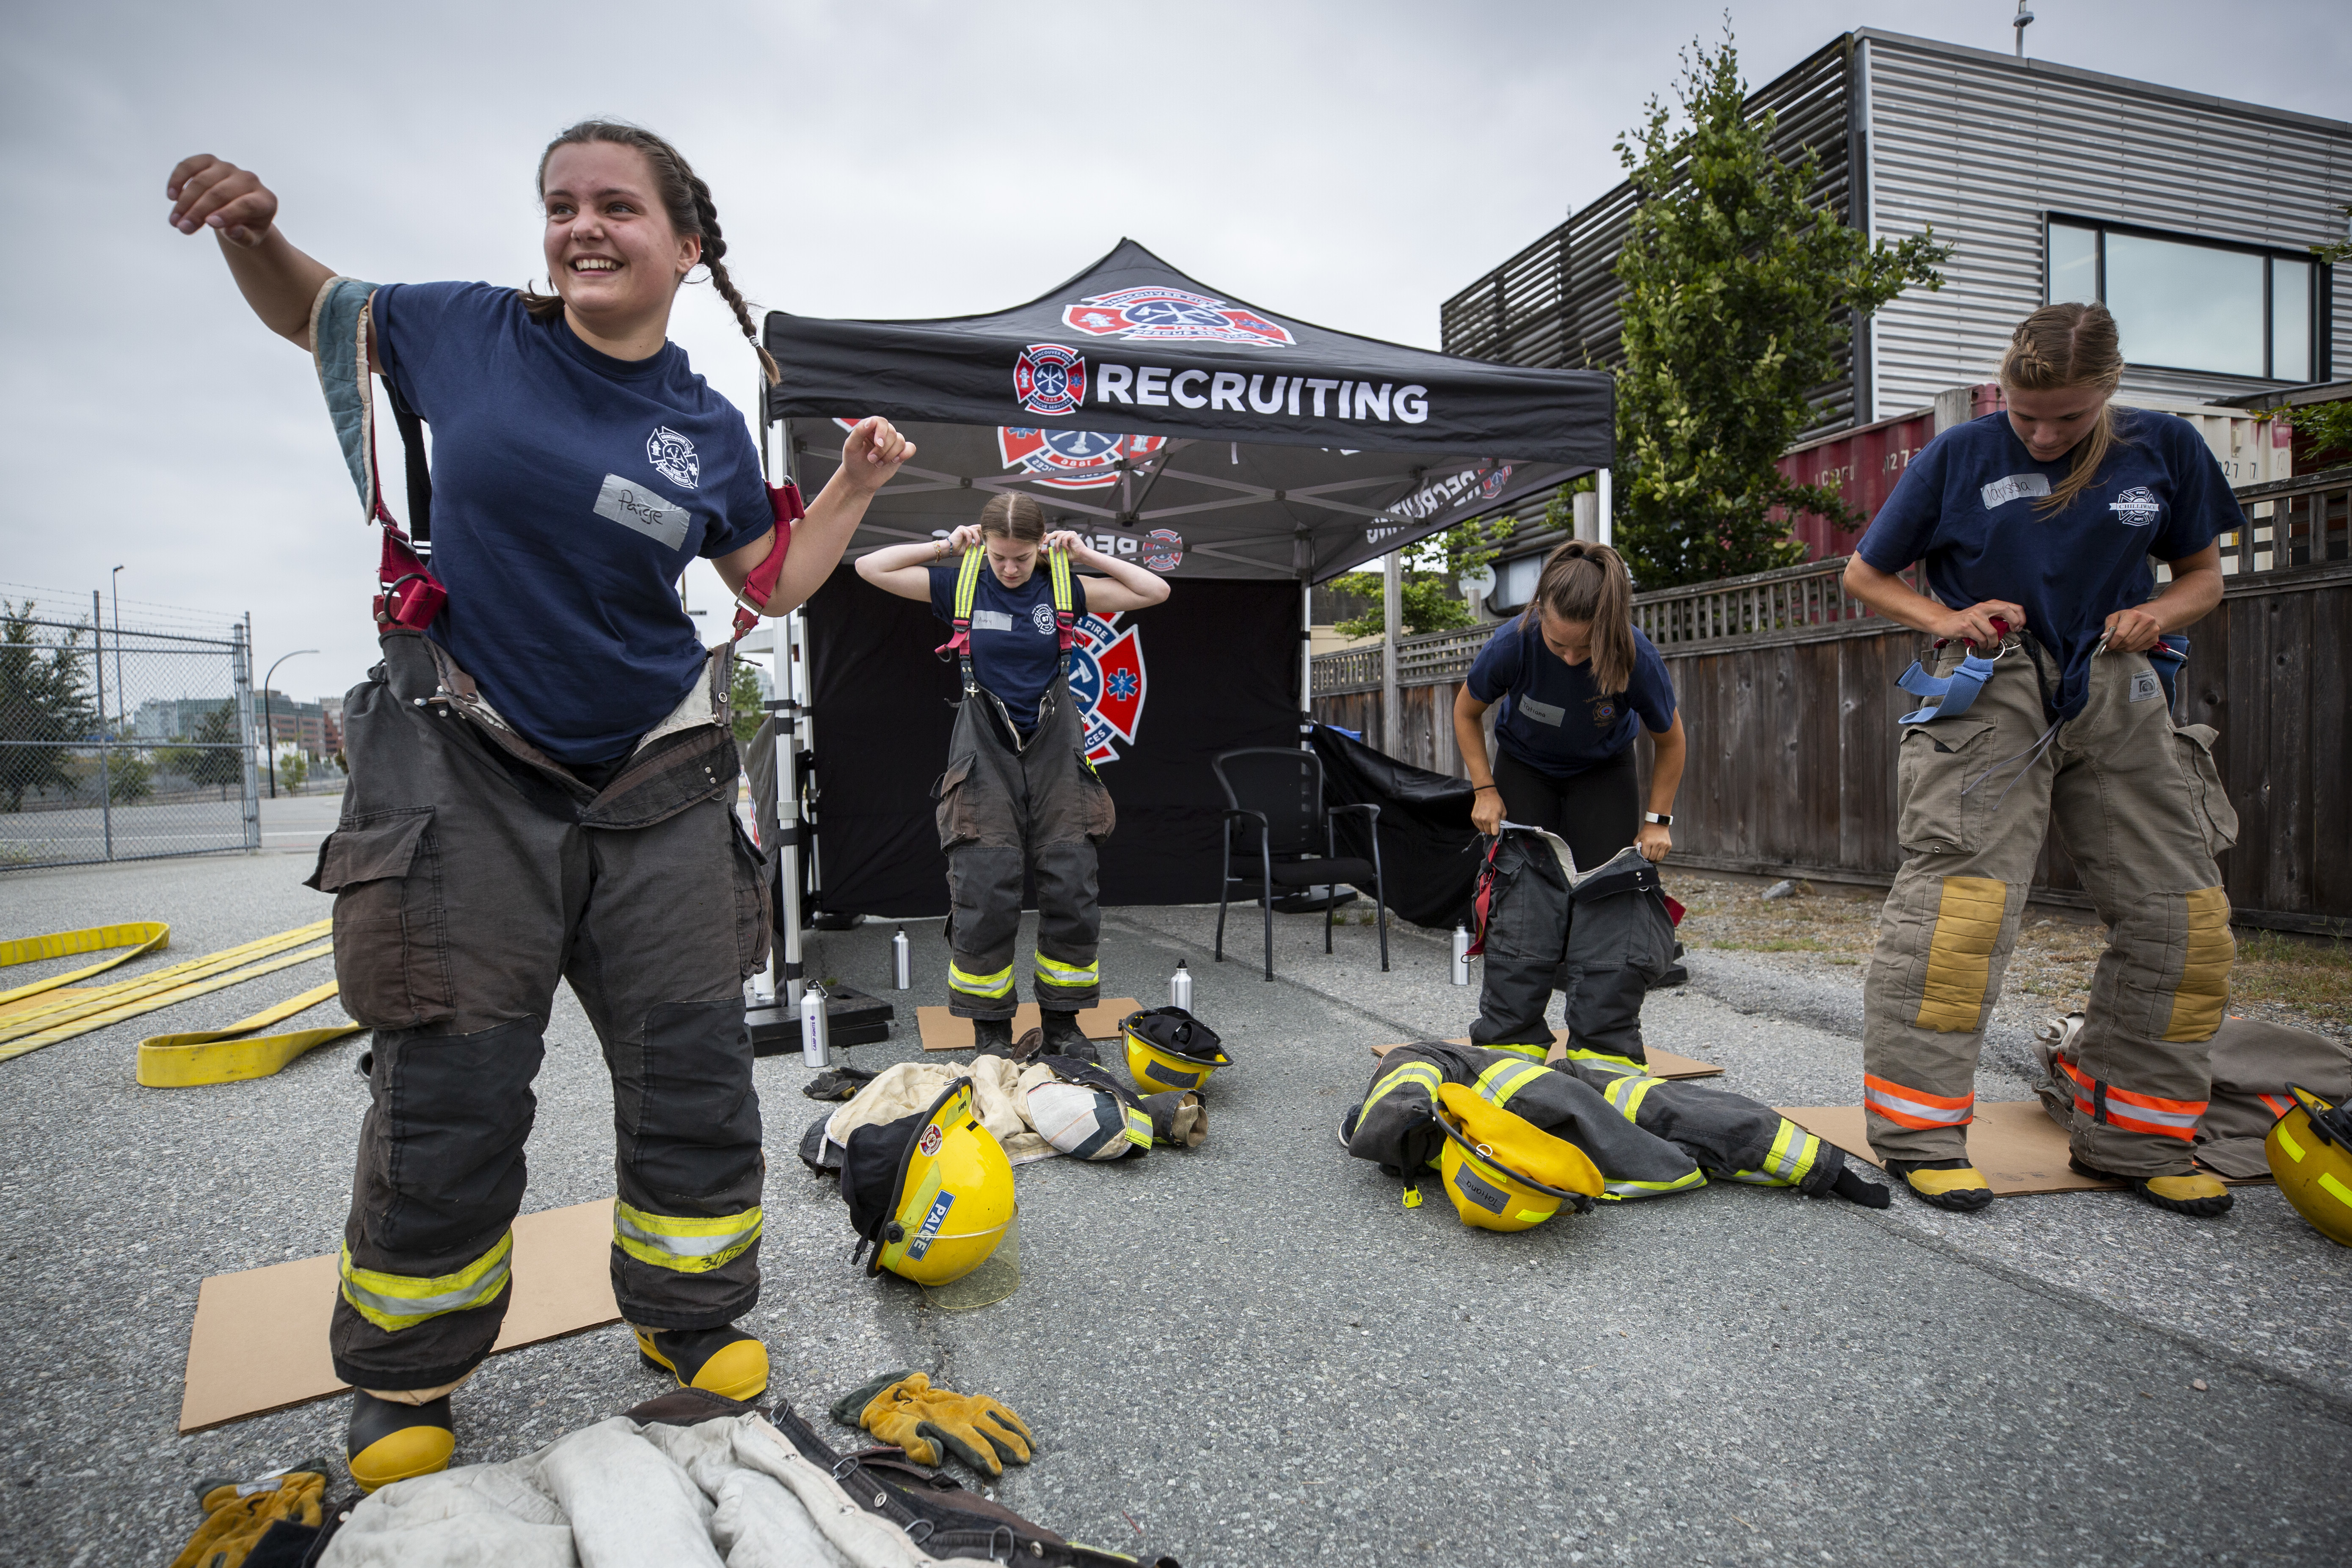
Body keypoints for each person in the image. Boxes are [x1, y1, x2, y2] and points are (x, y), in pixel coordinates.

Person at [165, 123, 914, 1491]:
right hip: (463, 765)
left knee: (691, 1072)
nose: (581, 226)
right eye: (559, 204)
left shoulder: (696, 420)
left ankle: (689, 1320)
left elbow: (769, 584)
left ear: (685, 246)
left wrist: (855, 486)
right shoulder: (469, 333)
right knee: (448, 1089)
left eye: (616, 207)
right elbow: (312, 314)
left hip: (659, 775)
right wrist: (251, 234)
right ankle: (406, 1371)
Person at [1842, 301, 2239, 1218]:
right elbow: (1864, 573)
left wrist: (2160, 614)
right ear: (2004, 392)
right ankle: (1920, 1135)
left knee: (2184, 919)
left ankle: (2140, 1136)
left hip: (2119, 679)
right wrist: (1945, 618)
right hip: (1993, 680)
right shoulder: (1961, 454)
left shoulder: (2166, 448)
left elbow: (2203, 579)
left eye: (2068, 415)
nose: (2046, 433)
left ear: (2110, 389)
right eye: (2028, 415)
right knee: (1962, 913)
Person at [857, 496, 1170, 1054]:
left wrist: (1084, 552)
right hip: (984, 749)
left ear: (1041, 544)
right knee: (985, 882)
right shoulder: (963, 583)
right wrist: (945, 546)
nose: (1009, 568)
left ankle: (1063, 1028)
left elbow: (1154, 591)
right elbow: (870, 568)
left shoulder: (1064, 587)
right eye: (1000, 557)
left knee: (1072, 879)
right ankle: (991, 1031)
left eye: (1021, 558)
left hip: (1055, 748)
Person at [1451, 540, 1688, 1063]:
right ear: (1540, 613)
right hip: (1524, 769)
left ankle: (1604, 1054)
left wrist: (1657, 822)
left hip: (1603, 772)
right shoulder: (1511, 644)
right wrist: (1484, 789)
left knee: (1612, 903)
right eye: (1560, 645)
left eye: (1584, 649)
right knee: (1521, 903)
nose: (1570, 657)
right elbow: (1466, 713)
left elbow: (1670, 741)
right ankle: (1510, 1046)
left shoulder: (1634, 654)